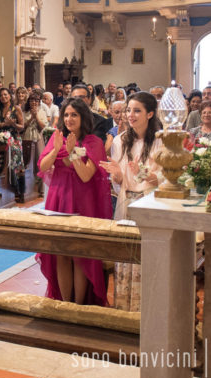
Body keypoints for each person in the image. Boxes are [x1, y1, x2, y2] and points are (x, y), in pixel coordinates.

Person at [37, 98, 111, 305]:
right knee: (61, 253)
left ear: (83, 117)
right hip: (58, 199)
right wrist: (55, 150)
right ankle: (64, 303)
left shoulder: (94, 142)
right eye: (67, 115)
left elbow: (86, 175)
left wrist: (71, 152)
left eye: (74, 115)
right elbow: (43, 167)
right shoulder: (56, 137)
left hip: (81, 201)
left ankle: (78, 305)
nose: (69, 119)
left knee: (79, 254)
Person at [101, 91, 163, 221]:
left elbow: (166, 180)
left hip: (151, 202)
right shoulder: (119, 140)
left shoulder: (160, 140)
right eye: (128, 110)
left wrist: (143, 174)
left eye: (137, 111)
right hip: (126, 202)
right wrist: (117, 175)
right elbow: (119, 183)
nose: (130, 115)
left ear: (150, 114)